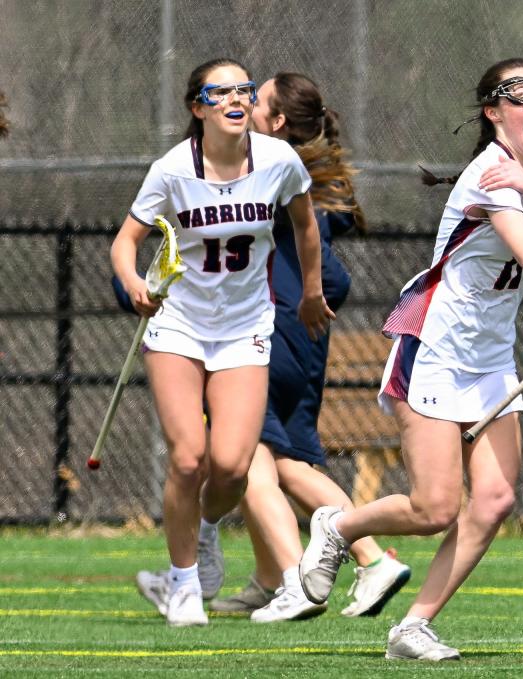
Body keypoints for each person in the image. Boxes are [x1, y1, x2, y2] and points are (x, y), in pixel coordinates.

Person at [297, 57, 523, 661]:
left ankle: (411, 629)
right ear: (494, 112)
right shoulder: (486, 173)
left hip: (491, 356)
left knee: (494, 500)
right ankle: (338, 527)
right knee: (434, 507)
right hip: (435, 348)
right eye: (522, 94)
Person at [113, 57, 335, 627]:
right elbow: (124, 242)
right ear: (198, 107)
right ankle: (183, 584)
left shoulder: (278, 160)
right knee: (189, 458)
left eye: (244, 90)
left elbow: (307, 225)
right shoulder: (172, 170)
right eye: (222, 92)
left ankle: (204, 532)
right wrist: (135, 282)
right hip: (179, 327)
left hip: (244, 329)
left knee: (232, 469)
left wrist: (311, 292)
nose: (237, 99)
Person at [207, 72, 410, 622]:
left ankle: (324, 572)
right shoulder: (298, 179)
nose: (242, 105)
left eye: (256, 100)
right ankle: (287, 575)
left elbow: (324, 271)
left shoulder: (265, 171)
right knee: (286, 458)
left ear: (275, 123)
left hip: (269, 337)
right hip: (298, 341)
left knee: (250, 456)